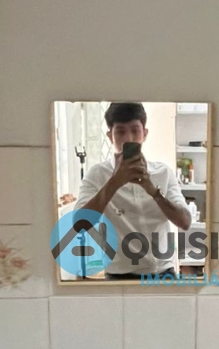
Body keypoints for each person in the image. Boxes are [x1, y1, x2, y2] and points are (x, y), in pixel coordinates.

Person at [73, 102, 192, 278]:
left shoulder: (163, 173)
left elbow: (185, 222)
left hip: (163, 272)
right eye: (120, 132)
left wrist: (153, 191)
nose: (128, 138)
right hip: (118, 276)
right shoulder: (98, 174)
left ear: (145, 134)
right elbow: (79, 225)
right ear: (110, 136)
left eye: (135, 131)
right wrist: (115, 182)